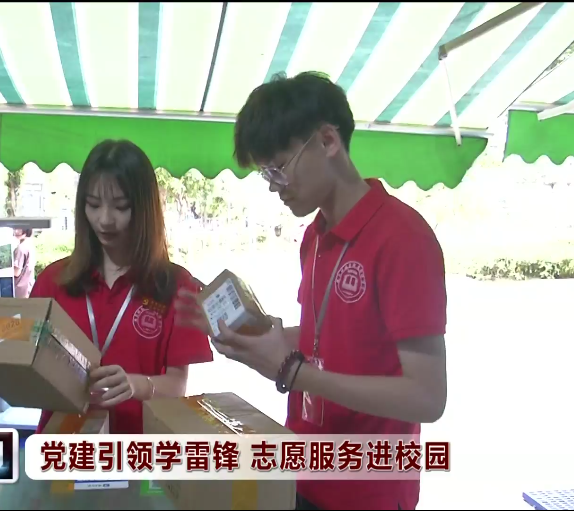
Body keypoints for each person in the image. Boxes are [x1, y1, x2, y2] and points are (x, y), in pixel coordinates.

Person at [175, 72, 448, 510]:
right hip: (304, 474)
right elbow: (330, 338)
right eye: (265, 173)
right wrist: (252, 334)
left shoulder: (403, 238)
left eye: (279, 167)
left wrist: (291, 371)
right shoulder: (315, 236)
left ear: (327, 141)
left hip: (369, 491)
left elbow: (427, 397)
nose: (273, 185)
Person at [30, 139, 214, 434]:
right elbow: (28, 363)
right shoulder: (53, 281)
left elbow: (178, 386)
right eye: (93, 205)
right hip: (66, 447)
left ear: (144, 209)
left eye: (121, 207)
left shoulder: (176, 286)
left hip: (139, 448)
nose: (105, 220)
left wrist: (136, 385)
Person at [12, 228, 35, 298]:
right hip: (28, 288)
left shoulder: (21, 248)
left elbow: (16, 272)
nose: (16, 231)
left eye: (19, 229)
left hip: (20, 291)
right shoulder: (30, 245)